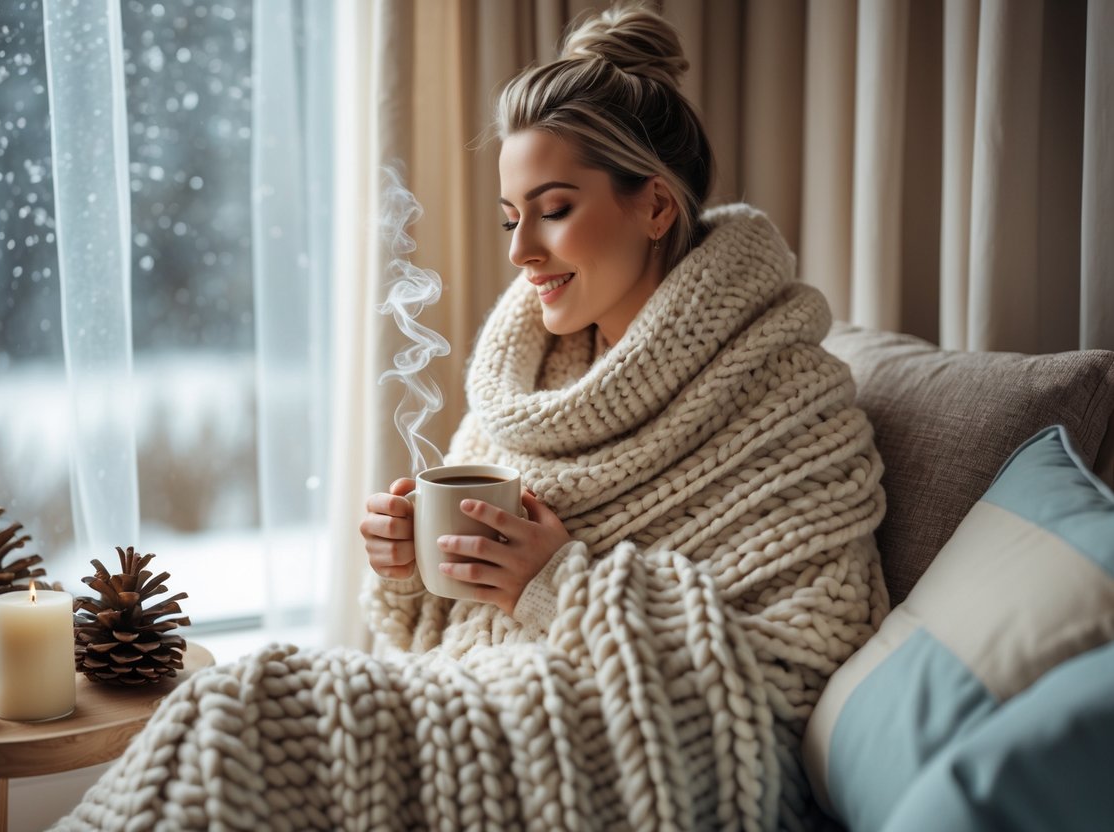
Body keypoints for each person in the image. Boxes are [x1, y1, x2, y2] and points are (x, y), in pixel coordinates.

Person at [59, 5, 886, 830]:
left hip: (617, 742)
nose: (519, 250)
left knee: (246, 710)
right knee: (226, 711)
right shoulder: (523, 387)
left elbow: (792, 673)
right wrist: (409, 567)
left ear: (656, 207)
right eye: (509, 218)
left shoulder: (789, 401)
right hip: (478, 697)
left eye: (552, 209)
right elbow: (438, 629)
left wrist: (557, 584)